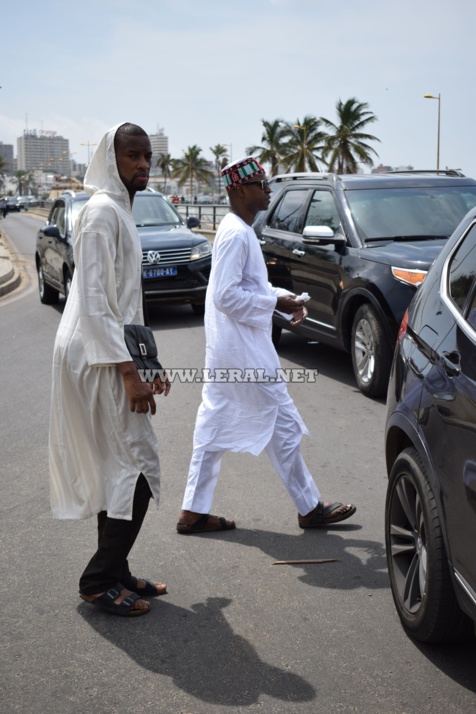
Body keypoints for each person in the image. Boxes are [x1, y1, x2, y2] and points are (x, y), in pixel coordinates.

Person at [177, 157, 356, 534]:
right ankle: (309, 508)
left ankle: (193, 510)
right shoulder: (236, 234)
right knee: (284, 425)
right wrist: (275, 303)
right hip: (243, 355)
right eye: (260, 184)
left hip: (231, 352)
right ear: (240, 190)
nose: (268, 190)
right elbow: (226, 297)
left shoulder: (237, 230)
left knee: (213, 426)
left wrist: (283, 298)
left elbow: (247, 290)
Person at [49, 122, 170, 617]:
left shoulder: (119, 210)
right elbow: (97, 304)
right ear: (111, 159)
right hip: (97, 355)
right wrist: (128, 373)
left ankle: (116, 569)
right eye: (133, 156)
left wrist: (148, 363)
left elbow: (128, 305)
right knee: (137, 462)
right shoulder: (101, 212)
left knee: (119, 462)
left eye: (148, 156)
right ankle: (98, 579)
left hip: (111, 349)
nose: (142, 164)